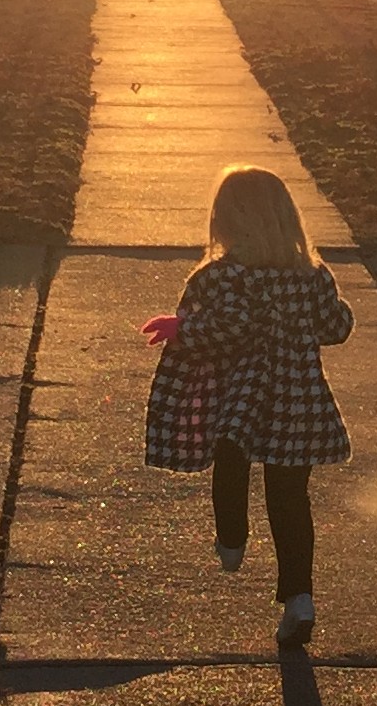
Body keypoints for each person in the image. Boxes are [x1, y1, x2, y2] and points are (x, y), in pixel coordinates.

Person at [140, 164, 354, 647]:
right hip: (299, 399)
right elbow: (335, 328)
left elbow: (228, 327)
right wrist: (333, 307)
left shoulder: (225, 276)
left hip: (246, 392)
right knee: (290, 498)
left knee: (230, 456)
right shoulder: (311, 275)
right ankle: (300, 598)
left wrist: (182, 330)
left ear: (228, 220)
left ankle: (232, 538)